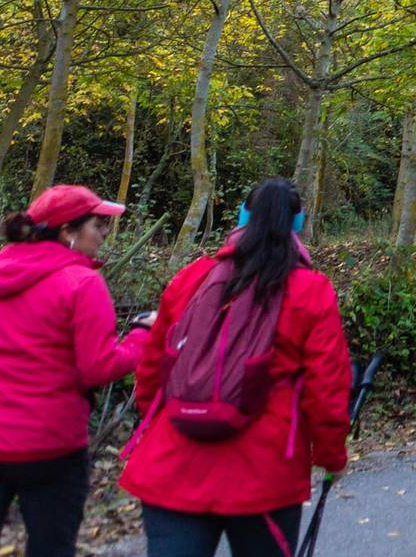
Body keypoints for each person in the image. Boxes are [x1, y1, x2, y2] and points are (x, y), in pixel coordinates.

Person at [121, 179, 351, 557]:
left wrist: (166, 418)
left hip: (172, 462)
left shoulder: (191, 278)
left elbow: (152, 368)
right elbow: (326, 386)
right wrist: (330, 457)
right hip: (264, 475)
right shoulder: (311, 290)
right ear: (297, 225)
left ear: (242, 217)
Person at [0, 185, 151, 557]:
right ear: (67, 231)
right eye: (98, 223)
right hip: (48, 447)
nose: (104, 232)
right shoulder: (83, 283)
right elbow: (98, 367)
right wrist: (141, 337)